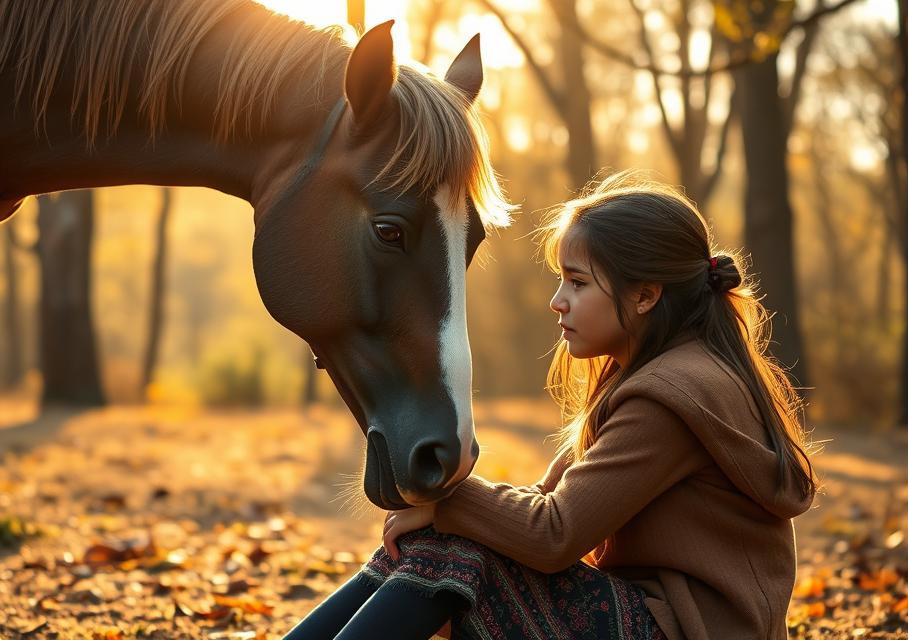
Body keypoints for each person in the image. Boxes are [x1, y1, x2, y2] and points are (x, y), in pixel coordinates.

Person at [284, 170, 820, 639]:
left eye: (578, 282)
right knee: (443, 541)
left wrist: (444, 504)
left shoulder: (670, 397)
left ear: (645, 295)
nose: (557, 300)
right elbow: (541, 505)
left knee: (453, 550)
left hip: (682, 629)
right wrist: (441, 511)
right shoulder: (659, 374)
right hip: (657, 619)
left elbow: (553, 534)